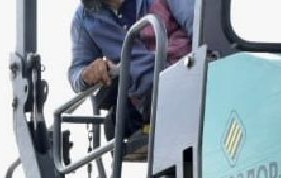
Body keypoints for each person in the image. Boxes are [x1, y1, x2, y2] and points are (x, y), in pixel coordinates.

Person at [69, 0, 196, 140]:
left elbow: (199, 26)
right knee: (119, 122)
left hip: (191, 79)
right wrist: (87, 74)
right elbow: (76, 72)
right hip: (148, 103)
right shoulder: (84, 19)